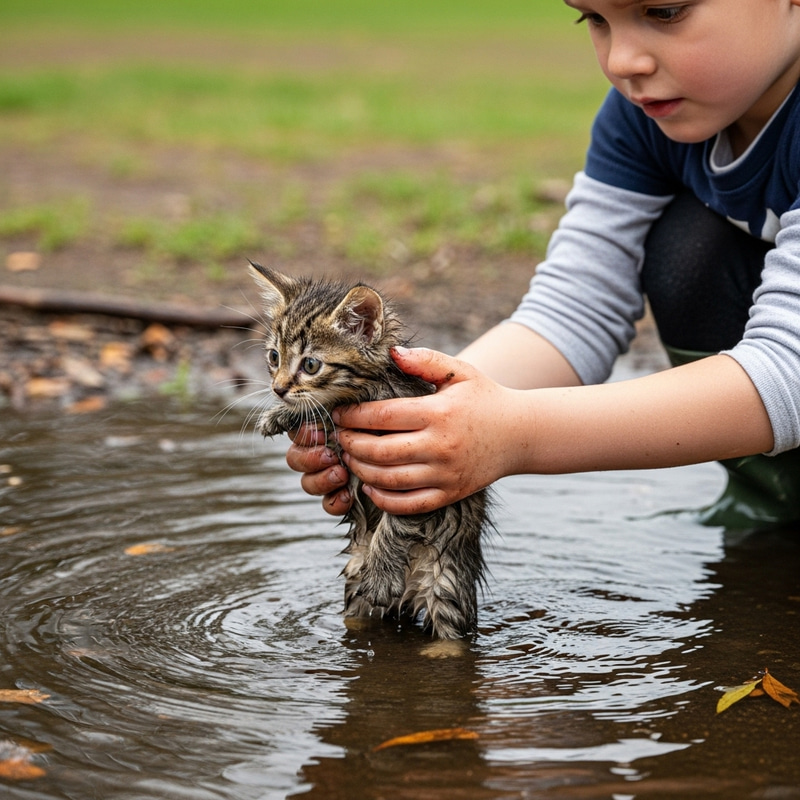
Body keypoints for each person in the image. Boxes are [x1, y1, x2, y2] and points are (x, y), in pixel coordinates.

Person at [286, 0, 800, 529]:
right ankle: (774, 520)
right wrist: (415, 419)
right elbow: (573, 311)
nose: (622, 61)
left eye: (664, 11)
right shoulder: (644, 115)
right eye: (594, 19)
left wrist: (516, 435)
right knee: (688, 246)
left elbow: (792, 369)